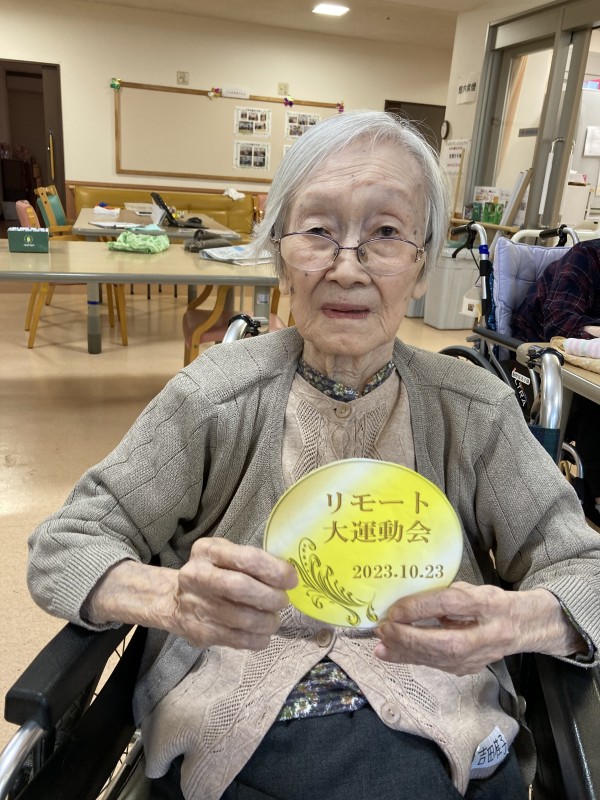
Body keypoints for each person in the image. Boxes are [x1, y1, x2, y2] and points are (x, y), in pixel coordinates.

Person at [27, 111, 600, 800]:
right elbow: (64, 544)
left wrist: (518, 619)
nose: (347, 267)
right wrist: (170, 597)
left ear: (421, 267)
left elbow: (584, 567)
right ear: (280, 257)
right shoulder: (214, 396)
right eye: (319, 231)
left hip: (444, 728)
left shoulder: (472, 408)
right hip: (236, 726)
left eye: (386, 232)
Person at [511, 239, 600, 524]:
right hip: (535, 365)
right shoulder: (586, 258)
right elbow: (560, 326)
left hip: (584, 364)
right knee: (594, 410)